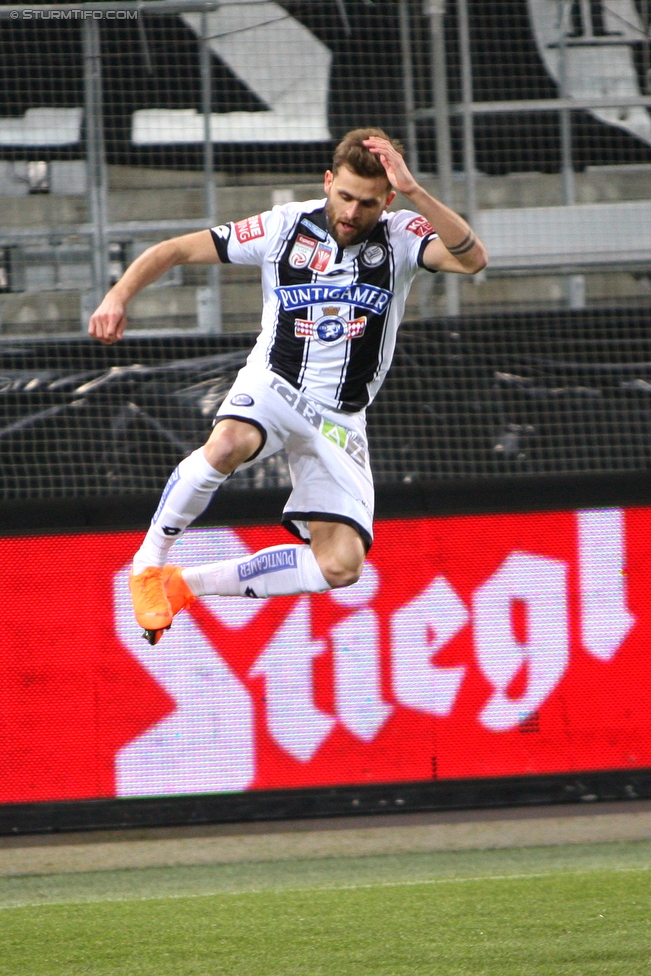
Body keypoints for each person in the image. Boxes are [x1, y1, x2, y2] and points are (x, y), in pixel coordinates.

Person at [89, 128, 488, 643]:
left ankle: (184, 585)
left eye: (367, 203)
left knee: (341, 565)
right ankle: (147, 565)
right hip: (275, 386)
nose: (351, 212)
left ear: (386, 199)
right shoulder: (282, 227)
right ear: (327, 182)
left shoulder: (404, 233)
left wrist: (414, 190)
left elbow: (473, 259)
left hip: (342, 418)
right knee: (229, 443)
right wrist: (118, 296)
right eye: (343, 196)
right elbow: (174, 250)